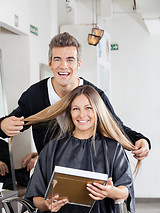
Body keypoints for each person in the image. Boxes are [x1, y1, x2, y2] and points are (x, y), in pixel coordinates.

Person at [0, 32, 150, 171]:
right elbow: (12, 124)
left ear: (79, 64)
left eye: (70, 59)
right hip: (49, 177)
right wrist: (3, 125)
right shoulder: (35, 95)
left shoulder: (95, 95)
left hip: (88, 174)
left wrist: (141, 140)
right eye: (57, 59)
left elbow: (116, 127)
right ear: (50, 63)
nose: (63, 65)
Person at [14, 85, 137, 213]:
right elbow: (36, 198)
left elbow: (125, 190)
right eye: (75, 109)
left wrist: (110, 192)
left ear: (97, 110)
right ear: (69, 112)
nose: (82, 114)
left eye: (88, 108)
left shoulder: (112, 148)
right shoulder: (53, 148)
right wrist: (47, 204)